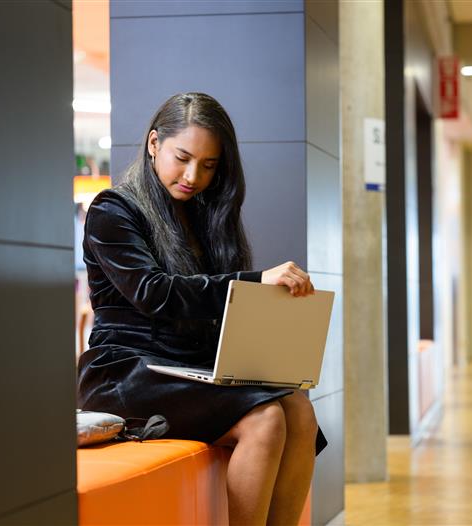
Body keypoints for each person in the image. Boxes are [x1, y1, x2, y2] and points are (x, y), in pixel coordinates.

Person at [77, 92, 326, 526]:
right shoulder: (112, 210)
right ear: (154, 143)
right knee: (265, 418)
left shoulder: (206, 217)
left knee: (299, 410)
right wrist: (253, 282)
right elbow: (154, 292)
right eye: (183, 157)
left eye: (209, 165)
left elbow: (211, 304)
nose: (194, 175)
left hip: (185, 368)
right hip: (124, 371)